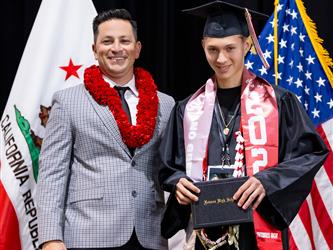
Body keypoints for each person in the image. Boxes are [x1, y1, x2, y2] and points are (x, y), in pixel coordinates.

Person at [158, 1, 328, 250]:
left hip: (255, 233)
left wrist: (266, 181)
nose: (221, 58)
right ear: (203, 46)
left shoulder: (278, 103)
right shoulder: (187, 109)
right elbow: (169, 168)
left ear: (247, 45)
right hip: (206, 234)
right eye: (212, 49)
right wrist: (178, 185)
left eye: (230, 48)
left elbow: (311, 154)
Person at [36, 9, 175, 250]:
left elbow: (169, 168)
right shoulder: (68, 101)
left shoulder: (165, 103)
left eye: (124, 41)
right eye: (107, 41)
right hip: (88, 234)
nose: (116, 48)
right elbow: (51, 176)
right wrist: (50, 238)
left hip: (149, 235)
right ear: (94, 49)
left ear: (137, 48)